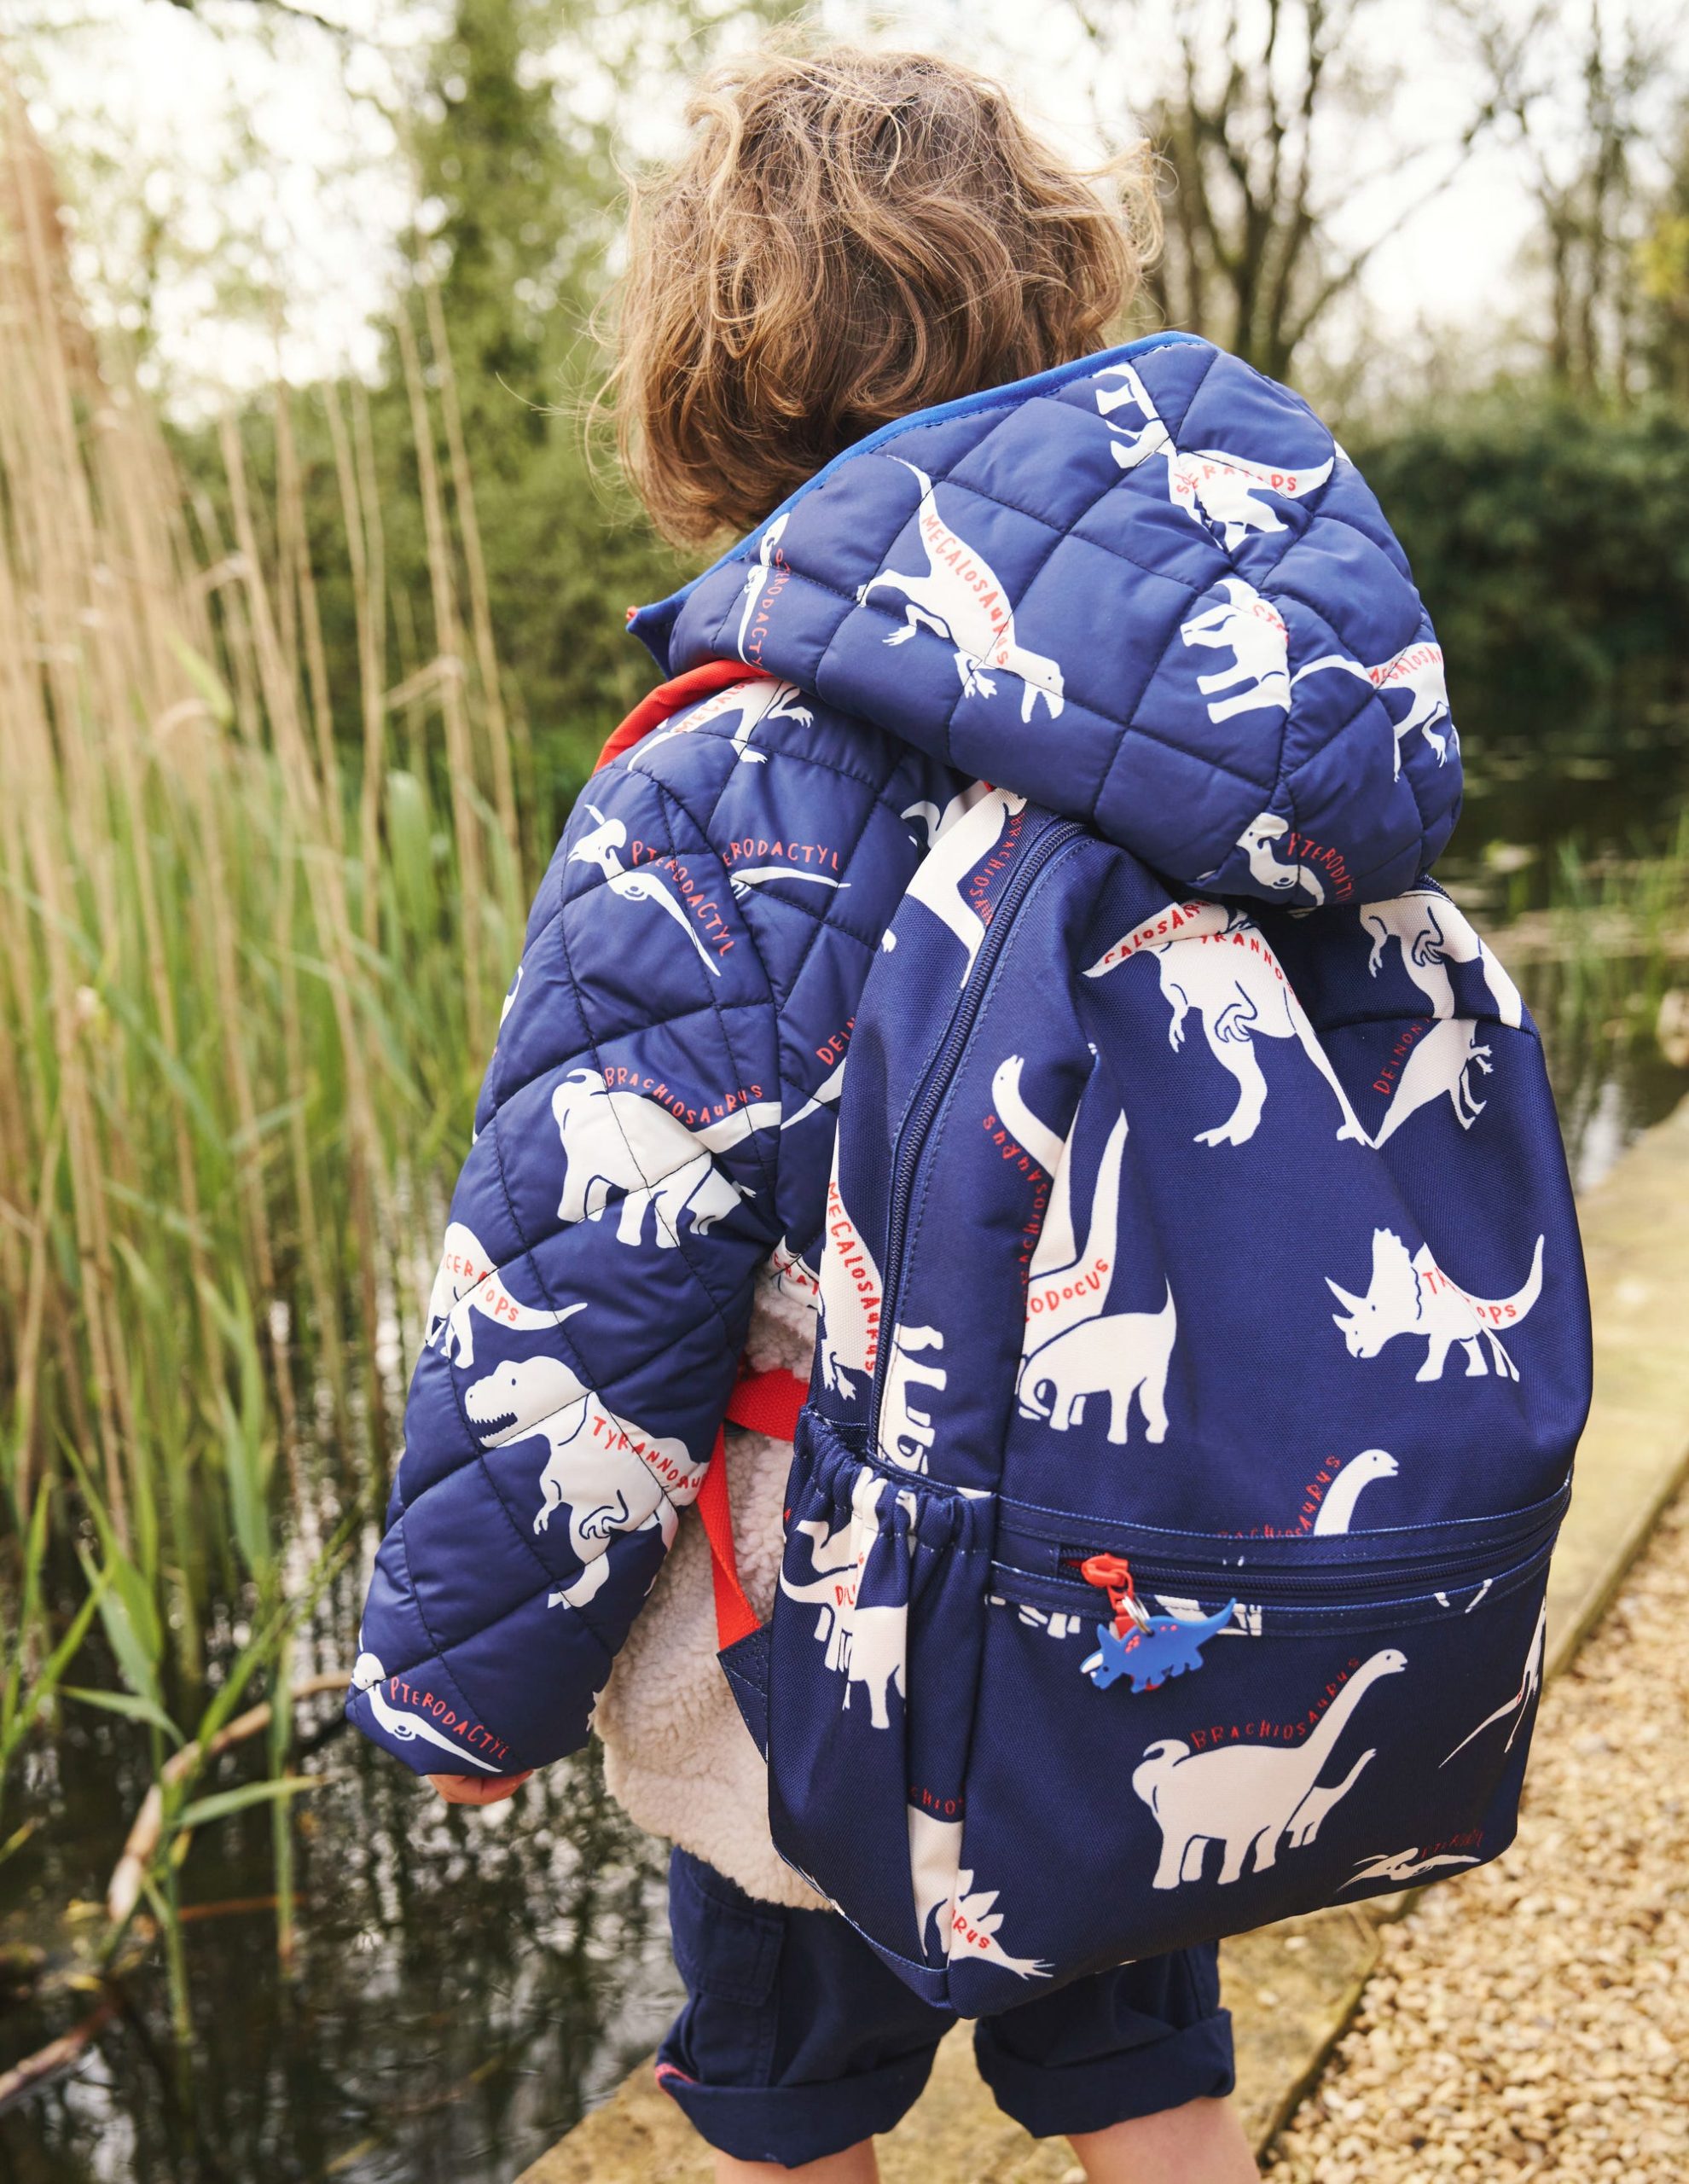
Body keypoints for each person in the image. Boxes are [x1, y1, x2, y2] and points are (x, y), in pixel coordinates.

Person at [349, 42, 1456, 2184]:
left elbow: (588, 1282)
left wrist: (465, 1682)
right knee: (1150, 2067)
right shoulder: (1237, 741)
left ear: (706, 378)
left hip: (820, 1623)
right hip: (1156, 1563)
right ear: (1058, 310)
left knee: (780, 2078)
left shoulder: (723, 775)